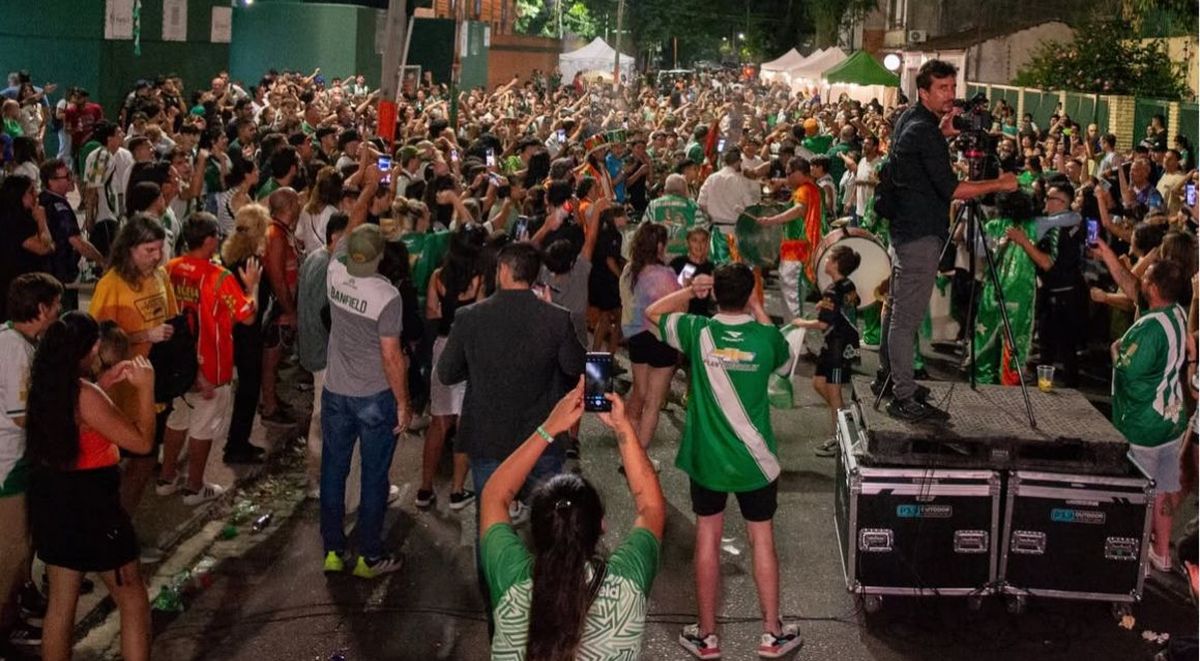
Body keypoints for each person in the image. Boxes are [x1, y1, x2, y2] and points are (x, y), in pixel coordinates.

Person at [644, 263, 802, 659]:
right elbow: (784, 366)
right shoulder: (767, 337)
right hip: (757, 461)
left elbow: (652, 314)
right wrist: (758, 306)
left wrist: (692, 291)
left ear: (715, 293)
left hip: (708, 459)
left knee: (708, 539)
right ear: (750, 293)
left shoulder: (698, 332)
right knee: (761, 540)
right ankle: (772, 633)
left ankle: (707, 636)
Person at [479, 379, 665, 660]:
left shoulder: (512, 583)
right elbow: (651, 506)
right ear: (601, 525)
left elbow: (494, 495)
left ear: (534, 529)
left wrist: (549, 428)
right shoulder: (627, 587)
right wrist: (624, 426)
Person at [876, 59, 1017, 421]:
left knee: (895, 308)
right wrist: (999, 184)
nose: (950, 96)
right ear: (924, 91)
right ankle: (903, 395)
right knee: (906, 318)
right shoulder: (924, 132)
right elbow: (954, 188)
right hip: (919, 233)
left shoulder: (912, 119)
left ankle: (890, 377)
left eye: (953, 89)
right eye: (942, 89)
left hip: (905, 228)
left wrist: (944, 133)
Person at [24, 312, 156, 661]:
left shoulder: (45, 386)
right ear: (91, 348)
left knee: (61, 604)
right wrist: (145, 389)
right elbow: (141, 443)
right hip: (92, 504)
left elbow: (77, 421)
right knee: (132, 600)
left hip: (53, 499)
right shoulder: (85, 396)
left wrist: (104, 385)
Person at [438, 241, 585, 525]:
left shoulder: (470, 317)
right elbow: (576, 366)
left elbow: (446, 373)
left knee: (492, 523)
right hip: (541, 437)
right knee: (548, 524)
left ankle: (491, 571)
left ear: (503, 270)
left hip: (488, 438)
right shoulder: (556, 318)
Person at [320, 168, 411, 579]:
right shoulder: (386, 295)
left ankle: (334, 551)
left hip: (335, 391)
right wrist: (404, 403)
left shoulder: (335, 269)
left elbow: (354, 219)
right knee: (374, 477)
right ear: (378, 259)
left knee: (334, 472)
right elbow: (392, 357)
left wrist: (369, 187)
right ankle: (370, 556)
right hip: (374, 396)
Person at [158, 214, 260, 506]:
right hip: (212, 365)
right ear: (211, 240)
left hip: (178, 364)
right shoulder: (219, 277)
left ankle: (166, 478)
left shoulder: (171, 268)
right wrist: (251, 287)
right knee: (204, 426)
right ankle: (194, 486)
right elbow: (248, 317)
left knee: (178, 418)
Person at [88, 214, 178, 516]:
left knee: (147, 456)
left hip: (153, 383)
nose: (156, 257)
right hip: (119, 389)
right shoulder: (110, 285)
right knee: (120, 460)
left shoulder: (161, 277)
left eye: (159, 249)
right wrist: (144, 334)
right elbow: (98, 339)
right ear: (129, 249)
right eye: (148, 251)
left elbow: (170, 318)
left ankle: (124, 522)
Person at [1111, 260, 1189, 572]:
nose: (1141, 280)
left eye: (1145, 277)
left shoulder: (1151, 327)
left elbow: (1129, 372)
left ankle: (1136, 557)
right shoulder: (1179, 314)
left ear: (1154, 289)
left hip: (1144, 424)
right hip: (1171, 421)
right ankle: (1162, 553)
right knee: (1165, 488)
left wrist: (1116, 352)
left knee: (1138, 492)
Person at [0, 274, 62, 653]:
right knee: (12, 552)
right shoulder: (15, 351)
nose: (59, 312)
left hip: (16, 460)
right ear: (40, 310)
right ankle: (5, 630)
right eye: (56, 306)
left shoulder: (15, 340)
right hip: (8, 465)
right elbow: (23, 415)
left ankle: (18, 606)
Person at [417, 225, 488, 511]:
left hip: (443, 348)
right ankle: (457, 490)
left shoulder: (437, 277)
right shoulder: (479, 279)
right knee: (464, 423)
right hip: (469, 351)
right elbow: (480, 316)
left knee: (439, 421)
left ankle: (424, 488)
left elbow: (432, 313)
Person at [297, 212, 350, 498]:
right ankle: (317, 479)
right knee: (322, 416)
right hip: (324, 352)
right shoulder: (328, 265)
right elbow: (326, 314)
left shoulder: (315, 258)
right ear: (335, 237)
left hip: (315, 348)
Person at [792, 245, 862, 457]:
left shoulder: (832, 290)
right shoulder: (846, 284)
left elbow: (823, 324)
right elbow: (853, 302)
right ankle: (842, 416)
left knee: (833, 390)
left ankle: (839, 438)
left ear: (836, 264)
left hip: (837, 346)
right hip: (835, 343)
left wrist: (801, 322)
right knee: (818, 383)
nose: (826, 260)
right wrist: (826, 304)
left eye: (829, 258)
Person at [620, 223, 680, 468]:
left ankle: (627, 449)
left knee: (638, 393)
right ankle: (639, 459)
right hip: (660, 338)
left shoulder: (628, 271)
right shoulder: (664, 275)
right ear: (659, 246)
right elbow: (679, 309)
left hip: (636, 339)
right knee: (654, 402)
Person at [757, 156, 823, 319]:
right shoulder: (813, 188)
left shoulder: (803, 190)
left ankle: (794, 337)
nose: (787, 178)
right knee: (795, 295)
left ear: (800, 172)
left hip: (796, 248)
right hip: (803, 247)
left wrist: (771, 220)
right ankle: (798, 337)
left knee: (791, 295)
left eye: (789, 174)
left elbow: (799, 210)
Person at [260, 187, 302, 425]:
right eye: (296, 201)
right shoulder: (275, 234)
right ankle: (269, 406)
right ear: (289, 206)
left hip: (282, 304)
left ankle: (271, 397)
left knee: (275, 358)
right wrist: (289, 310)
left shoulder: (281, 231)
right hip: (278, 308)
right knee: (271, 358)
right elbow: (277, 276)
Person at [39, 159, 104, 311]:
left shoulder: (43, 199)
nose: (72, 179)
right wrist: (101, 260)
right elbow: (76, 241)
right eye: (67, 176)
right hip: (61, 273)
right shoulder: (59, 207)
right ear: (51, 181)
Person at [0, 175, 54, 322]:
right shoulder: (14, 221)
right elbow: (44, 247)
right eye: (31, 192)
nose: (36, 195)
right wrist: (41, 220)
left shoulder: (23, 218)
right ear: (19, 196)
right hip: (17, 292)